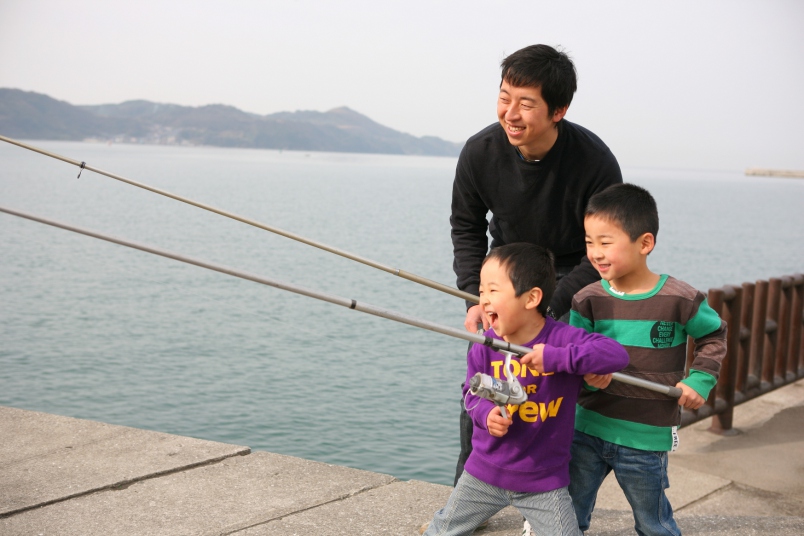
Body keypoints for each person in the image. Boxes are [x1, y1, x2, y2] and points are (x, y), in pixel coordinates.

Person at [451, 43, 623, 491]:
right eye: (505, 97)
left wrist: (550, 308)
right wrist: (476, 295)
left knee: (558, 389)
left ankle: (548, 498)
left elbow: (603, 250)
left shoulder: (594, 161)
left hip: (573, 274)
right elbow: (466, 227)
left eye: (526, 104)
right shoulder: (480, 152)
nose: (511, 112)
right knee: (484, 381)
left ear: (558, 110)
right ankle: (468, 495)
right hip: (508, 272)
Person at [422, 243, 629, 536]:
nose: (484, 300)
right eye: (481, 292)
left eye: (493, 290)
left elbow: (616, 354)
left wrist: (558, 358)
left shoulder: (561, 339)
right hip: (483, 473)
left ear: (532, 298)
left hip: (543, 481)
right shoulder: (485, 344)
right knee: (441, 531)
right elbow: (470, 394)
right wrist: (486, 414)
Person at [568, 183, 728, 535]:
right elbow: (574, 353)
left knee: (653, 522)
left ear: (644, 243)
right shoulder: (587, 299)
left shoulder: (680, 299)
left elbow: (714, 335)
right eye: (589, 241)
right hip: (587, 427)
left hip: (645, 436)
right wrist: (585, 372)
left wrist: (699, 380)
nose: (595, 252)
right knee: (568, 514)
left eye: (605, 242)